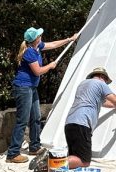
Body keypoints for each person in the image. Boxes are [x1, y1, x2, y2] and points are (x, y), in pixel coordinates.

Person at [7, 26, 79, 163]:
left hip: (31, 88)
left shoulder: (37, 47)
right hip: (23, 88)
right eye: (39, 35)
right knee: (22, 120)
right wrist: (50, 66)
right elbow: (38, 71)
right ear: (35, 39)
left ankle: (34, 146)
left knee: (36, 117)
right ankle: (13, 153)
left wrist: (70, 39)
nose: (41, 37)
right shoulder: (29, 53)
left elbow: (52, 44)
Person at [64, 67, 116, 168]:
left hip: (70, 123)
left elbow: (103, 102)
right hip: (83, 123)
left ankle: (52, 161)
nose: (106, 83)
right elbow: (115, 99)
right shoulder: (100, 83)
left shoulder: (82, 84)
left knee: (74, 157)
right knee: (84, 162)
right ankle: (51, 160)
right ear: (102, 76)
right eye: (106, 81)